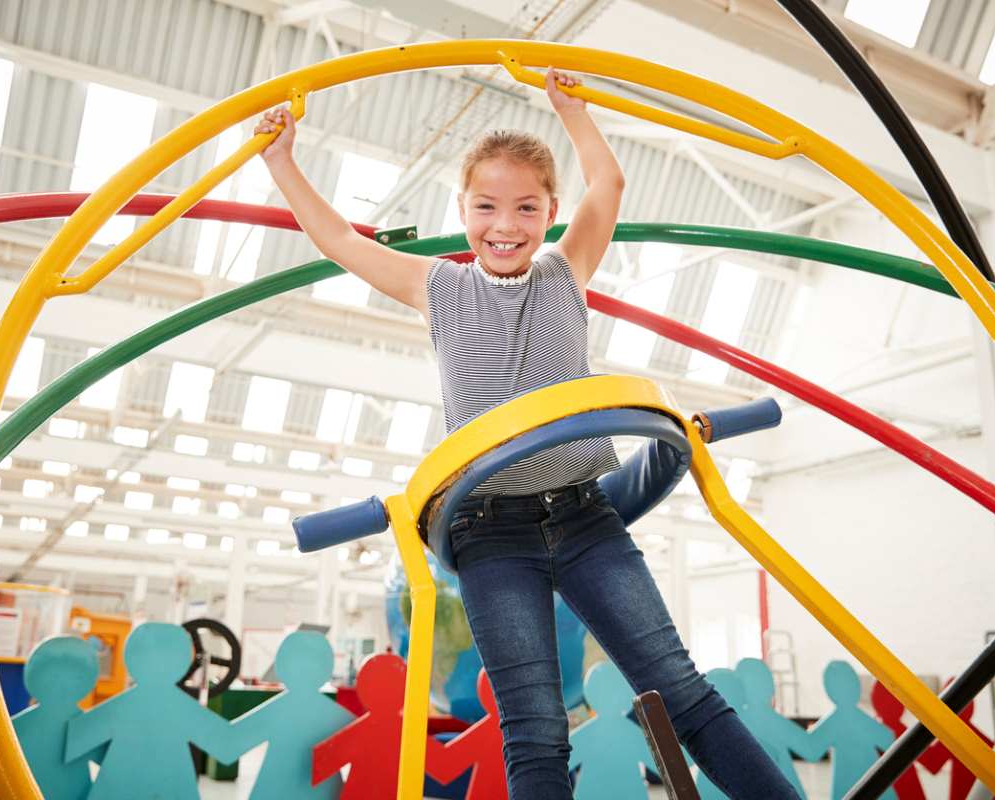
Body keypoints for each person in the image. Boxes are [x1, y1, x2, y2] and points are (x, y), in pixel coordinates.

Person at [256, 66, 795, 800]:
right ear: (462, 208)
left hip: (583, 514)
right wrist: (280, 159)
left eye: (525, 208)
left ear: (548, 213)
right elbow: (339, 240)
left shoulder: (567, 270)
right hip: (487, 530)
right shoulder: (436, 286)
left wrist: (571, 111)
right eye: (485, 206)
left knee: (682, 690)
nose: (503, 225)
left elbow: (608, 186)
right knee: (535, 728)